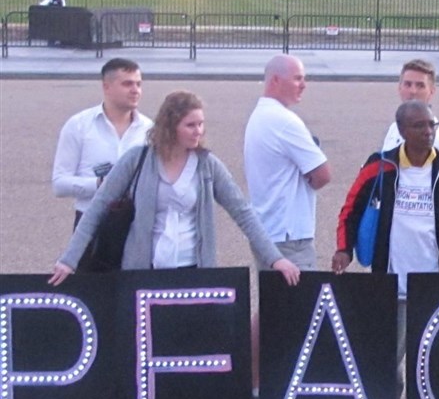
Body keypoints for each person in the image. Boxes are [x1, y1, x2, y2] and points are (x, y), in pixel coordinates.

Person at [48, 90, 300, 287]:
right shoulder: (137, 159)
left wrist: (275, 258)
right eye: (190, 125)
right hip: (144, 269)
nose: (198, 132)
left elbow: (243, 212)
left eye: (201, 124)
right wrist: (69, 260)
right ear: (171, 126)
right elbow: (97, 208)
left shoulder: (207, 164)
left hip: (193, 267)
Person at [332, 100, 439, 399]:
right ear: (402, 130)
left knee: (433, 362)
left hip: (435, 286)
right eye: (419, 126)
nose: (428, 132)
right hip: (391, 284)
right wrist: (343, 249)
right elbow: (350, 210)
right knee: (385, 360)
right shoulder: (380, 166)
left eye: (432, 125)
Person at [52, 58, 153, 271]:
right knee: (92, 294)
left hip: (135, 225)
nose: (135, 90)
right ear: (106, 87)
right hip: (91, 225)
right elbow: (59, 184)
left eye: (138, 83)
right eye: (127, 84)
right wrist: (101, 185)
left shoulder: (149, 130)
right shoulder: (78, 126)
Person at [243, 54, 331, 271]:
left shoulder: (259, 116)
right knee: (300, 303)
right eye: (297, 79)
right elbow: (323, 175)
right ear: (275, 80)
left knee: (275, 303)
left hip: (267, 231)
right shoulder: (285, 121)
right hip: (289, 236)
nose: (303, 85)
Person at [382, 58, 439, 153]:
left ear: (432, 91)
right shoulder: (394, 127)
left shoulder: (431, 136)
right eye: (408, 84)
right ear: (399, 88)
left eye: (420, 86)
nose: (413, 91)